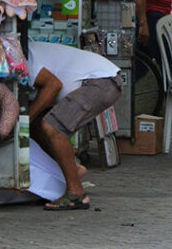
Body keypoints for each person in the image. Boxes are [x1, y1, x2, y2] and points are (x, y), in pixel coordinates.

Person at [27, 42, 121, 210]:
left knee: (53, 128)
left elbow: (53, 85)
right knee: (37, 127)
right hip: (101, 79)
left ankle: (76, 193)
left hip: (98, 81)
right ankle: (72, 170)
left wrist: (24, 121)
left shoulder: (24, 56)